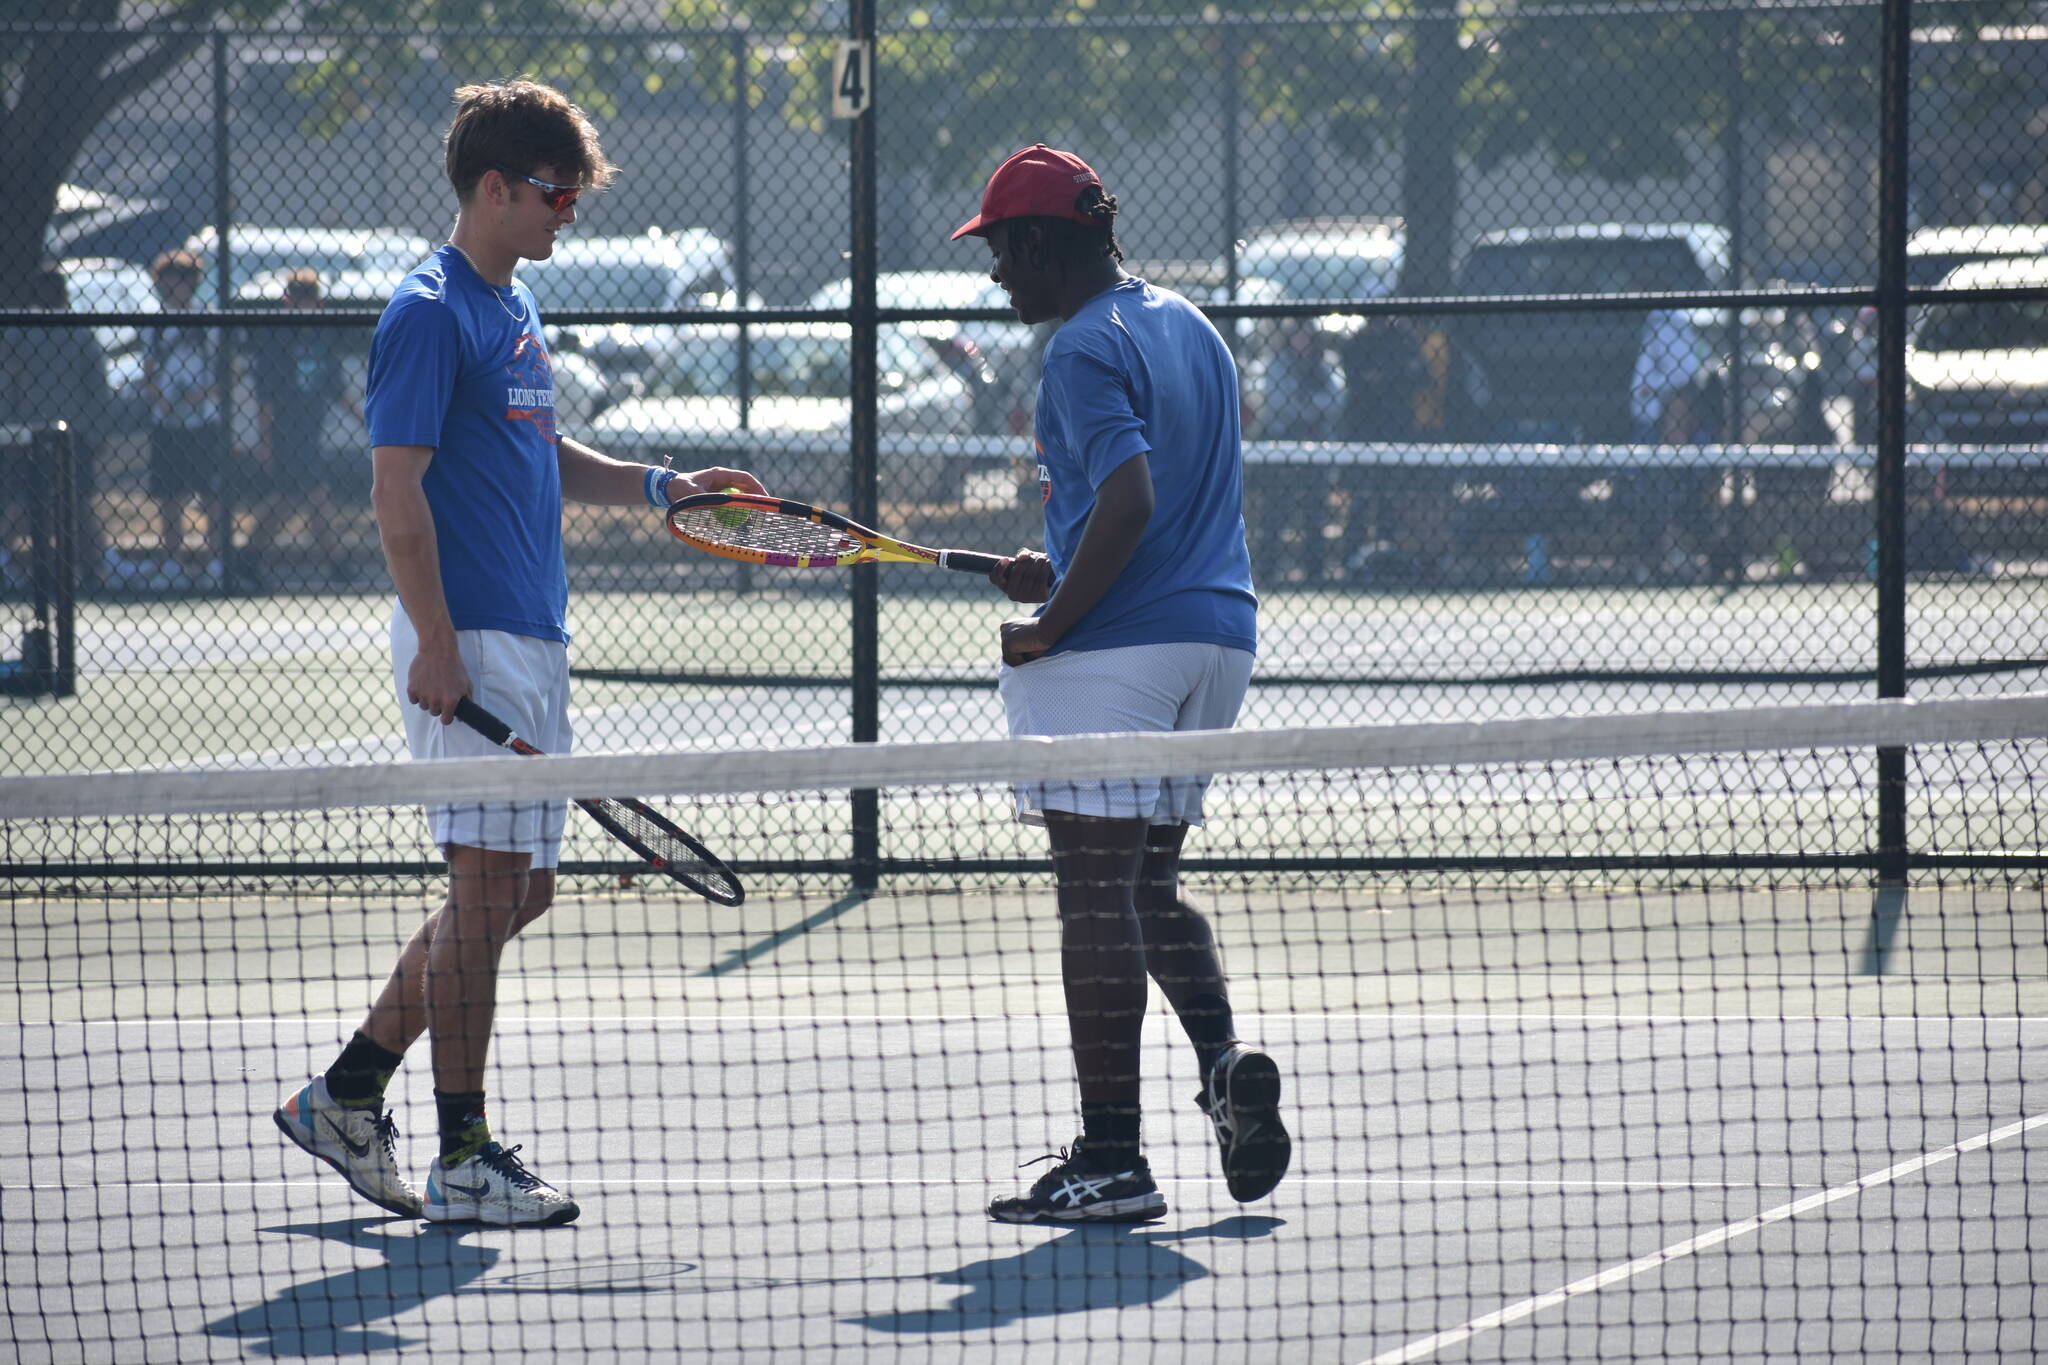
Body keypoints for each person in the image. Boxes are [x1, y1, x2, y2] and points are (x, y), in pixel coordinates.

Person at [273, 78, 764, 1228]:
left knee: (516, 892)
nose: (567, 216)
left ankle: (346, 1094)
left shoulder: (514, 310)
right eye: (554, 195)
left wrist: (660, 486)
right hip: (471, 640)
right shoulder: (429, 310)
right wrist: (436, 641)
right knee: (486, 890)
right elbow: (396, 489)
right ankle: (462, 1153)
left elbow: (543, 455)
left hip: (530, 639)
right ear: (491, 188)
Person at [954, 144, 1290, 1225]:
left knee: (1093, 896)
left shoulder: (1076, 351)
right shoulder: (1186, 326)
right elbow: (1154, 510)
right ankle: (1222, 1063)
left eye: (1004, 249)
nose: (996, 273)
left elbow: (1133, 498)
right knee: (1143, 887)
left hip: (1120, 655)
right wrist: (1056, 557)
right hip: (1215, 643)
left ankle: (1110, 1160)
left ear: (1046, 242)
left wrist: (1052, 623)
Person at [0, 263, 110, 591]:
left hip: (62, 434)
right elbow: (8, 383)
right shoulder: (20, 333)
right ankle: (66, 567)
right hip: (32, 434)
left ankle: (90, 567)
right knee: (34, 501)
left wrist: (94, 432)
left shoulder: (75, 332)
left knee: (70, 503)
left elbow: (97, 387)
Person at [247, 269, 358, 588]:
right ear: (287, 302)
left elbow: (336, 389)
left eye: (311, 301)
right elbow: (265, 398)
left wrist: (364, 418)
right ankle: (337, 564)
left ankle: (249, 557)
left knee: (290, 500)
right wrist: (265, 441)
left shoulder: (323, 338)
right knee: (314, 497)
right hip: (285, 432)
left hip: (311, 431)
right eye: (298, 301)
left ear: (319, 304)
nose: (305, 307)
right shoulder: (277, 339)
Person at [140, 249, 228, 593]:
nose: (176, 284)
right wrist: (162, 401)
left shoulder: (209, 321)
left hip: (204, 422)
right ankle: (173, 562)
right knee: (170, 496)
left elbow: (227, 372)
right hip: (167, 422)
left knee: (211, 495)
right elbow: (148, 371)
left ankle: (217, 562)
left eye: (184, 277)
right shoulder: (156, 324)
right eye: (169, 277)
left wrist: (202, 394)